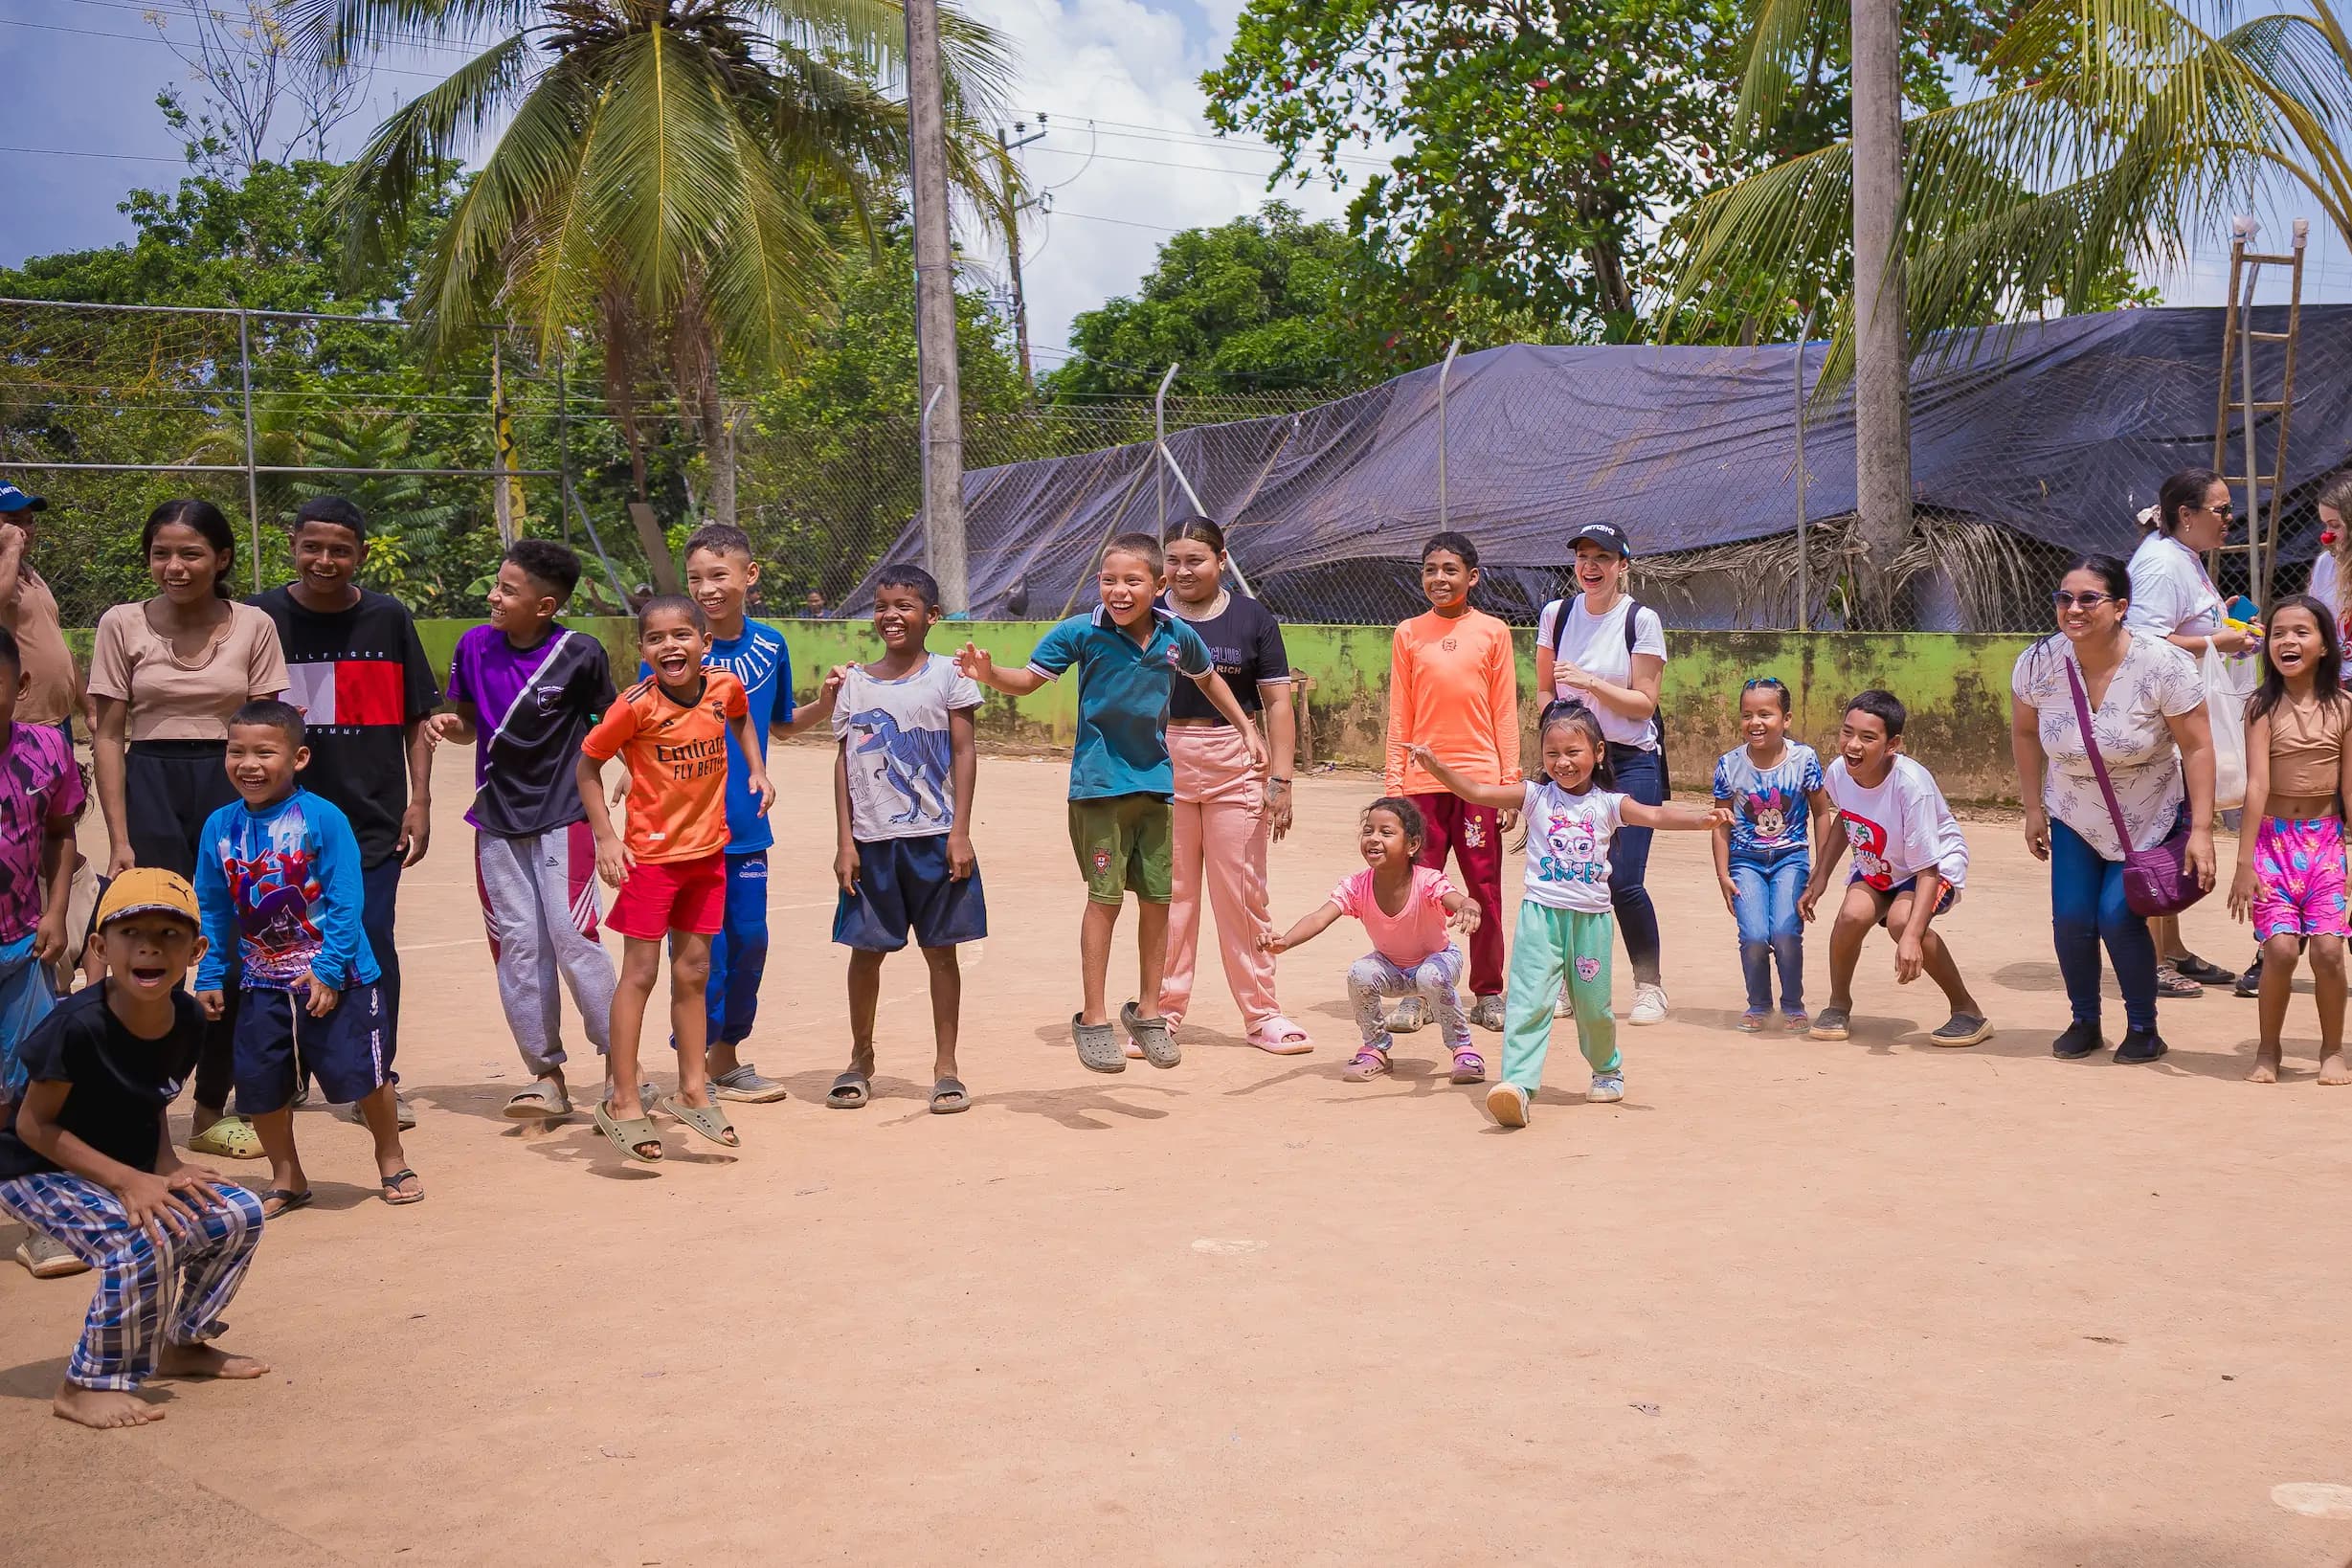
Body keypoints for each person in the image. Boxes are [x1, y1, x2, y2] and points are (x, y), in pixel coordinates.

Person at [955, 532, 1266, 1074]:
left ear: (1160, 586)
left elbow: (1210, 679)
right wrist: (989, 674)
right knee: (1105, 898)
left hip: (1156, 785)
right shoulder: (1082, 631)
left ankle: (1148, 1012)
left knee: (1158, 901)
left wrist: (1246, 728)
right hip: (1099, 787)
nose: (1119, 591)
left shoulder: (1177, 635)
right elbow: (1028, 681)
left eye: (1132, 580)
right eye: (1109, 580)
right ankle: (1094, 1017)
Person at [0, 868, 269, 1429]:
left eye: (170, 934)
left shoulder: (189, 1019)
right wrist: (127, 1182)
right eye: (131, 933)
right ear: (100, 947)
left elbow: (152, 1099)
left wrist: (167, 1169)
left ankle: (182, 1343)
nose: (150, 946)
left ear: (196, 949)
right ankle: (85, 1385)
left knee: (235, 1214)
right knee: (139, 1241)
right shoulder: (76, 1026)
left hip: (120, 1165)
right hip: (34, 1167)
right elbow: (33, 1126)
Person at [1412, 706, 1727, 1129]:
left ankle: (1606, 1068)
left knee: (1593, 1008)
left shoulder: (1609, 804)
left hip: (1591, 922)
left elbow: (1654, 815)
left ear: (1598, 752)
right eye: (1552, 753)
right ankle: (1518, 1085)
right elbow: (1475, 792)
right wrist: (1436, 767)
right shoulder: (1535, 796)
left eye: (1573, 751)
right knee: (1528, 1001)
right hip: (1541, 916)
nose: (1562, 762)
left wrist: (1700, 819)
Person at [88, 500, 287, 1162]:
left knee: (229, 949)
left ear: (222, 558)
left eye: (191, 553)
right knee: (148, 949)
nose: (175, 567)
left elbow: (269, 731)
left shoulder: (254, 625)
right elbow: (109, 734)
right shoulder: (120, 624)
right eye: (161, 553)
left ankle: (209, 1110)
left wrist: (270, 817)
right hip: (151, 786)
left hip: (233, 785)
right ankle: (136, 1108)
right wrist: (119, 836)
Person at [248, 496, 437, 1131]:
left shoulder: (387, 619)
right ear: (293, 545)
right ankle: (294, 1073)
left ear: (360, 552)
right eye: (312, 546)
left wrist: (420, 800)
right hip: (282, 827)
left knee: (367, 941)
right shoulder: (260, 617)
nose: (324, 560)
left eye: (340, 549)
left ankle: (373, 1078)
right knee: (280, 946)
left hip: (371, 823)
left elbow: (417, 718)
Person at [191, 702, 416, 1212]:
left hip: (340, 974)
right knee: (260, 1080)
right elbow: (213, 905)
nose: (248, 764)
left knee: (365, 1073)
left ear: (298, 758)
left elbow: (346, 898)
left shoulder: (322, 817)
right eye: (236, 752)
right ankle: (287, 1176)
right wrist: (210, 972)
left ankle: (391, 1158)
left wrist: (330, 968)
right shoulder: (218, 828)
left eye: (264, 752)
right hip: (261, 980)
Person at [640, 524, 839, 1102]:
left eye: (719, 575)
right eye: (696, 577)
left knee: (750, 942)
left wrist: (823, 705)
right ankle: (691, 1069)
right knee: (704, 956)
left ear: (749, 577)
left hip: (747, 827)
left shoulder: (772, 644)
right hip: (685, 833)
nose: (707, 588)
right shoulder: (672, 647)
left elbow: (778, 724)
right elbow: (642, 723)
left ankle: (727, 1058)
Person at [425, 540, 619, 1121]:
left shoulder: (580, 654)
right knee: (517, 944)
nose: (494, 595)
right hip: (497, 821)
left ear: (546, 605)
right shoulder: (473, 646)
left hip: (564, 816)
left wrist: (629, 765)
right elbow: (467, 726)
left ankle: (620, 1068)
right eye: (497, 583)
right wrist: (448, 724)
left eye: (509, 589)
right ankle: (546, 1076)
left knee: (574, 937)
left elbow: (607, 723)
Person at [576, 595, 773, 1163]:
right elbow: (587, 767)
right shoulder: (633, 707)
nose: (671, 646)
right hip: (651, 861)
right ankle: (622, 1097)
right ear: (643, 650)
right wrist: (606, 838)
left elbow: (741, 719)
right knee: (639, 973)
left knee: (694, 972)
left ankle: (693, 1088)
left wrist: (756, 769)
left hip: (708, 856)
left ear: (704, 644)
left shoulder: (723, 689)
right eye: (657, 639)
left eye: (682, 635)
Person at [2011, 555, 2216, 1065]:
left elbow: (2197, 746)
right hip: (2074, 809)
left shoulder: (2163, 664)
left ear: (2122, 607)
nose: (2072, 609)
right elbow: (2024, 732)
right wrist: (2033, 808)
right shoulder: (2038, 663)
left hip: (2146, 810)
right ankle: (2084, 1021)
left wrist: (2203, 829)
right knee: (2072, 918)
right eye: (2064, 598)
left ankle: (2144, 1028)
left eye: (2088, 599)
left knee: (2116, 916)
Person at [827, 566, 984, 1112]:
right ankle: (860, 1057)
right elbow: (845, 762)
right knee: (864, 954)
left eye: (906, 606)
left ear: (931, 617)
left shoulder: (950, 676)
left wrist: (960, 832)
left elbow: (964, 753)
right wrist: (846, 842)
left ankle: (946, 1066)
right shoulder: (854, 683)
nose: (892, 615)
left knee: (942, 954)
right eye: (883, 605)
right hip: (872, 843)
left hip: (937, 838)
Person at [1156, 517, 1310, 1055]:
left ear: (1222, 560)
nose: (1182, 570)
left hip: (1235, 761)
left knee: (1243, 895)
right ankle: (1161, 1014)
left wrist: (1281, 779)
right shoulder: (1145, 618)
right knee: (1170, 896)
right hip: (1160, 763)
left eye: (1194, 560)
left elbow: (1278, 703)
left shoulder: (1252, 617)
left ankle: (1263, 1014)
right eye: (1172, 560)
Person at [1382, 531, 1519, 1042]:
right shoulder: (1408, 634)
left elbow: (1504, 710)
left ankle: (1487, 992)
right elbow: (1401, 712)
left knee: (1483, 887)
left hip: (1479, 783)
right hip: (1420, 781)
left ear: (1472, 577)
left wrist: (1509, 783)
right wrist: (1395, 783)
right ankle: (1420, 994)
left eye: (1450, 570)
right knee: (1422, 890)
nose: (1439, 579)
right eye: (1430, 570)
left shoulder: (1493, 632)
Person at [1535, 521, 1672, 1024]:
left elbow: (1642, 704)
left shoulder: (1641, 620)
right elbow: (1546, 693)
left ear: (1623, 566)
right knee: (1571, 877)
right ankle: (1573, 984)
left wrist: (1590, 682)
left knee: (1624, 879)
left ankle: (1649, 985)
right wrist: (1554, 748)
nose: (1591, 567)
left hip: (1631, 760)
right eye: (1583, 557)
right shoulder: (1557, 613)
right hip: (1574, 762)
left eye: (1603, 558)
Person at [1802, 690, 1993, 1047]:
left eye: (1868, 737)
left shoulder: (1911, 787)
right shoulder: (1839, 772)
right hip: (1880, 863)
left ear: (1893, 744)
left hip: (1933, 865)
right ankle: (1838, 1005)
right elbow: (1847, 818)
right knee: (1850, 916)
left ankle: (1968, 1012)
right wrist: (1821, 875)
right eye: (1847, 732)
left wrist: (1908, 938)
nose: (1853, 745)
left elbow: (1928, 870)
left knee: (1904, 923)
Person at [2123, 467, 2247, 997]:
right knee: (2163, 834)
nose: (2228, 519)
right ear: (2186, 515)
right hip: (2165, 721)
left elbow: (2183, 627)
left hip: (2184, 711)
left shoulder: (2180, 557)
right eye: (2220, 510)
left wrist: (2227, 627)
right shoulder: (2157, 566)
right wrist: (2220, 641)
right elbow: (2146, 640)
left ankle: (2171, 948)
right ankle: (2151, 960)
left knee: (2174, 831)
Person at [1258, 796, 1481, 1084]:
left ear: (1412, 845)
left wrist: (1469, 907)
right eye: (1368, 831)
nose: (1373, 839)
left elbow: (1460, 900)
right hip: (1392, 969)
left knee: (1430, 975)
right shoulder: (1356, 886)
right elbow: (1319, 918)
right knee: (1360, 973)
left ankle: (1463, 1048)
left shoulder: (1427, 881)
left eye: (1386, 833)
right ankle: (1375, 1047)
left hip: (1439, 963)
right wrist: (1285, 942)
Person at [2227, 595, 2352, 1084]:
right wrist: (2243, 863)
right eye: (2278, 633)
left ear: (2324, 646)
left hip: (2325, 844)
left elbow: (2348, 790)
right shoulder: (2260, 706)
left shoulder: (2344, 707)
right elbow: (2256, 785)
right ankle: (2268, 1049)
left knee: (2327, 951)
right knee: (2279, 950)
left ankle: (2332, 1050)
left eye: (2301, 632)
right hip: (2272, 846)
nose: (2288, 641)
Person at [0, 625, 87, 1279]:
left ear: (21, 685)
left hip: (24, 941)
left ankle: (40, 1223)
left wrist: (56, 912)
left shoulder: (46, 750)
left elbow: (61, 836)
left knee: (33, 1084)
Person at [1712, 677, 1826, 1032]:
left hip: (1791, 860)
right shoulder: (1729, 765)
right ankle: (1759, 1004)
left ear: (1786, 719)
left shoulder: (1804, 760)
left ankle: (1793, 1003)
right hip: (1745, 862)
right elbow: (1720, 823)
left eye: (1765, 713)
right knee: (1755, 935)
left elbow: (1822, 813)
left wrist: (1820, 870)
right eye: (1747, 714)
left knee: (1786, 932)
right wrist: (1723, 874)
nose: (1755, 722)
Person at [0, 482, 84, 742]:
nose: (25, 530)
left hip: (58, 720)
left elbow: (56, 642)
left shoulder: (30, 573)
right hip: (17, 725)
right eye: (14, 521)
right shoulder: (8, 568)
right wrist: (11, 550)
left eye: (30, 521)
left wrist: (90, 707)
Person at [2304, 469, 2352, 637]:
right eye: (2326, 525)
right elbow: (2314, 618)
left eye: (2335, 525)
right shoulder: (2326, 563)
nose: (2327, 536)